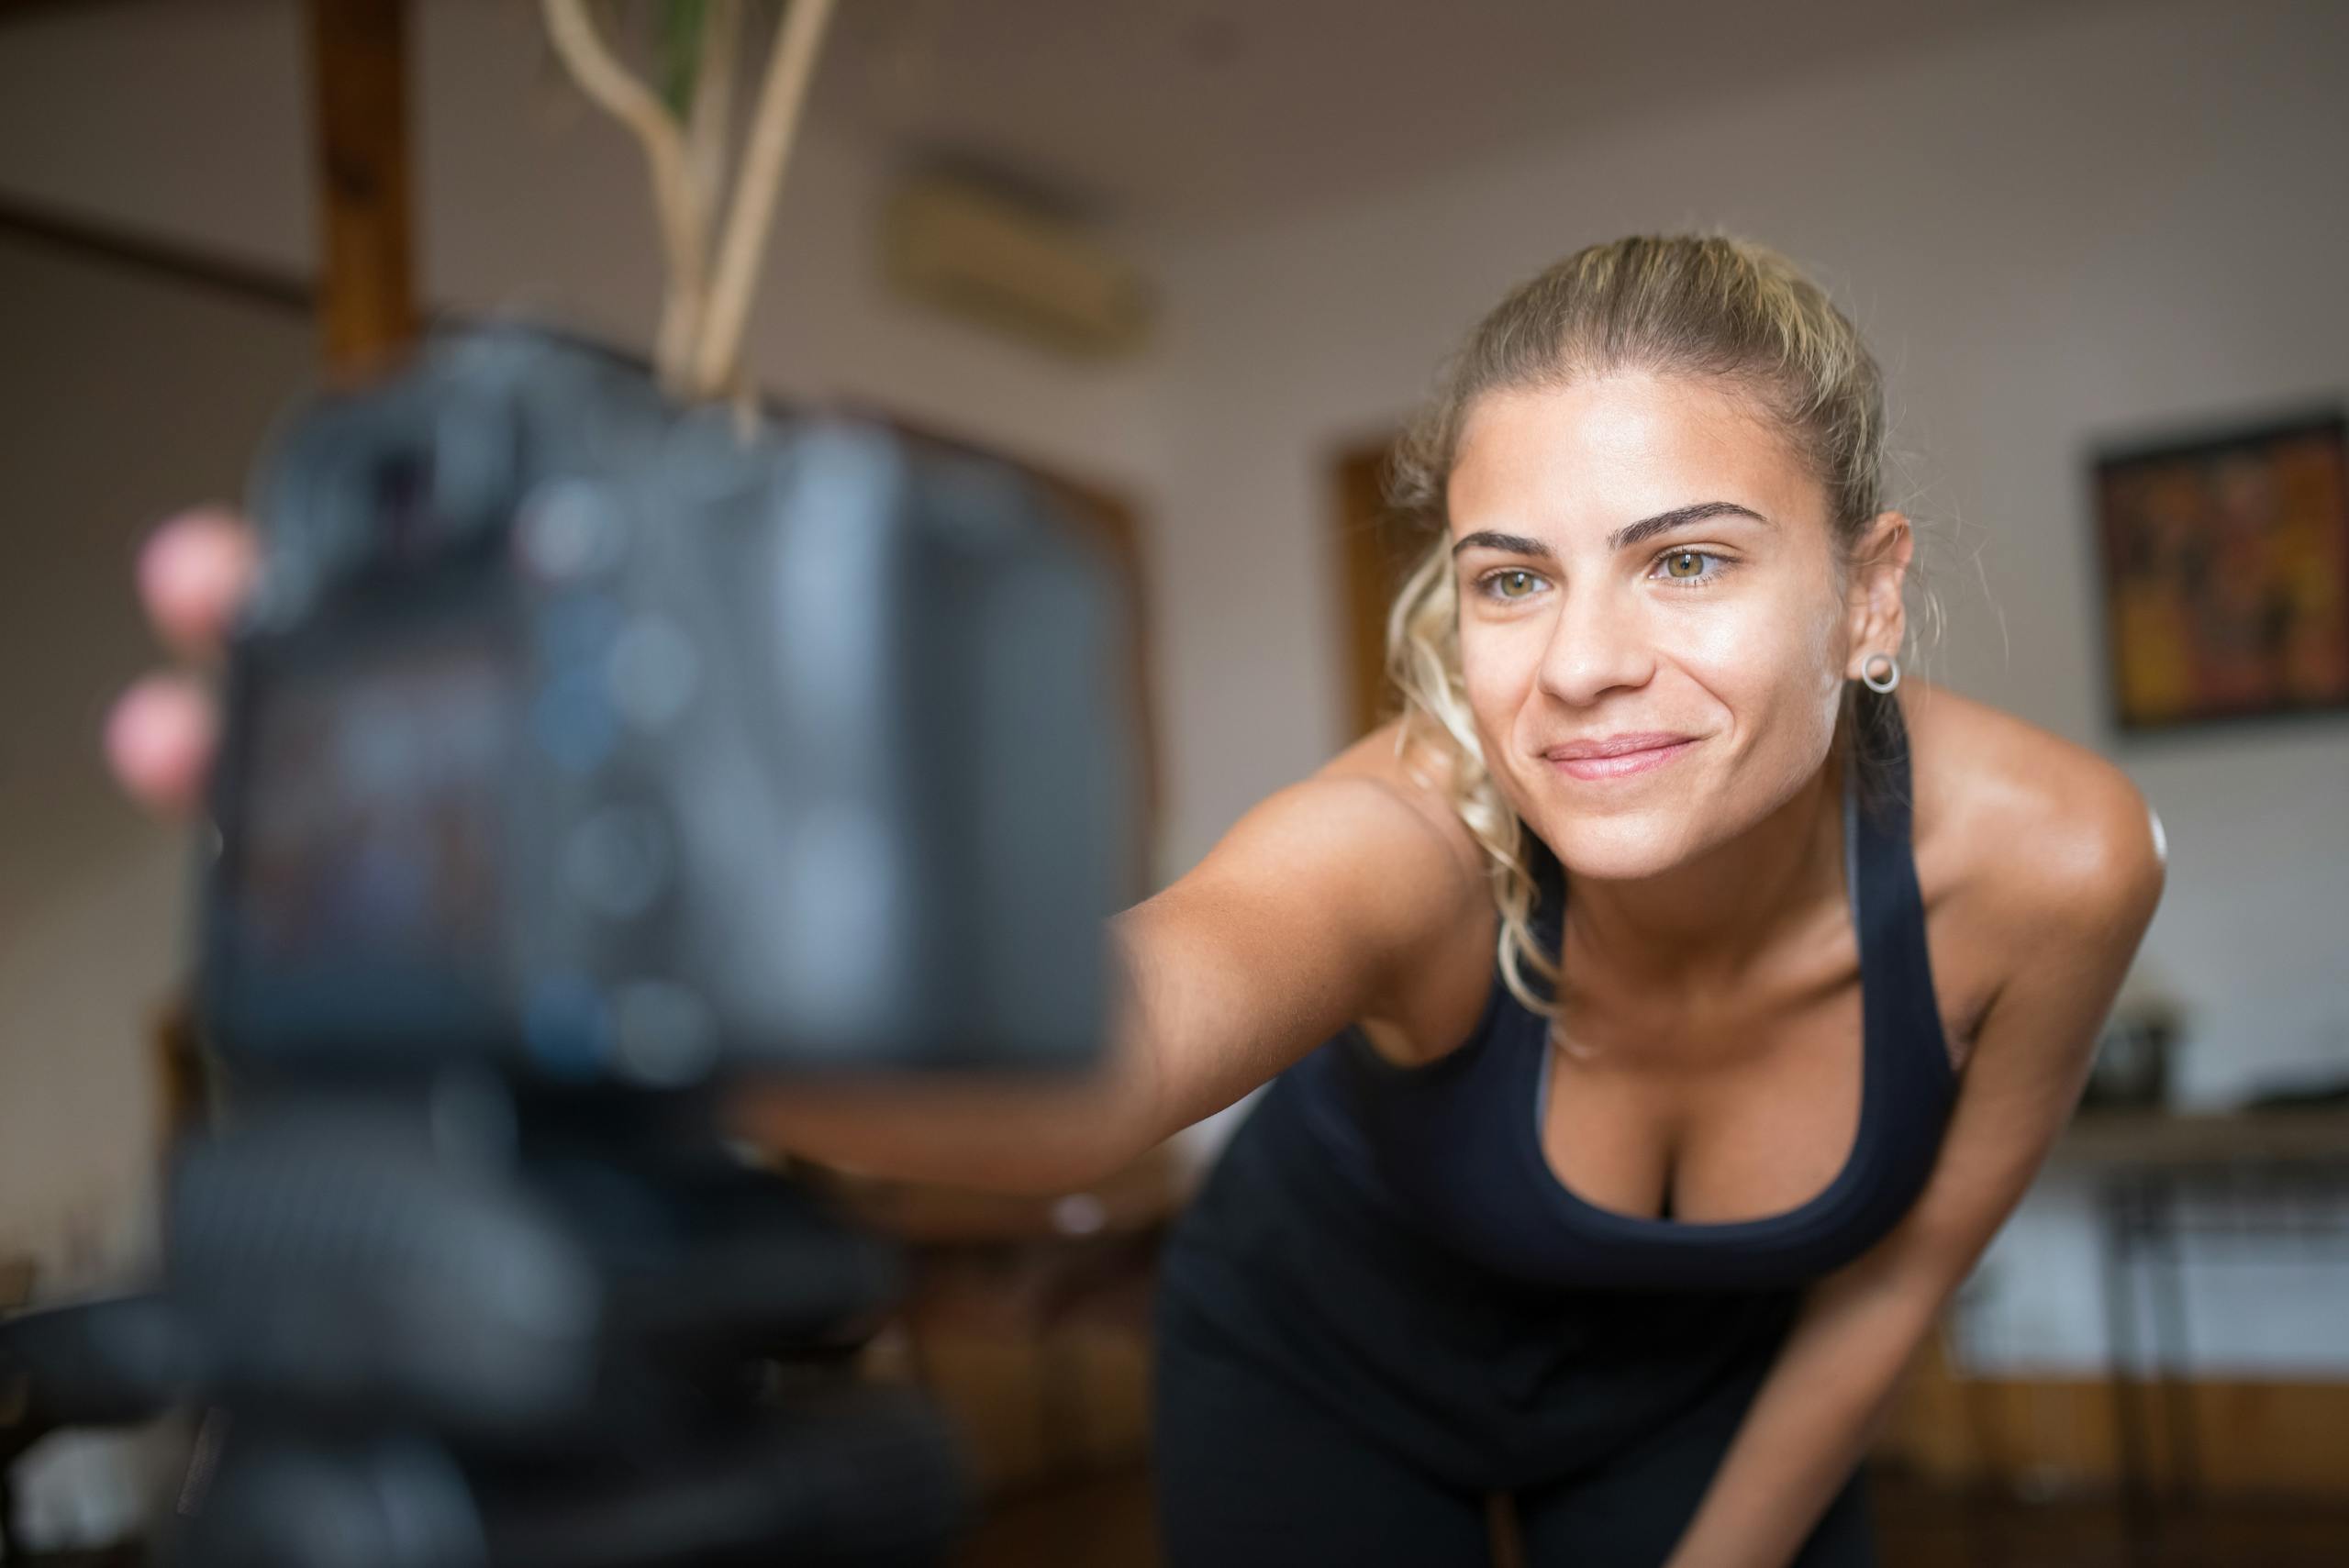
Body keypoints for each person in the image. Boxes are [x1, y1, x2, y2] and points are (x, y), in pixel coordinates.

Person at [108, 233, 2166, 1567]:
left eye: (1689, 560)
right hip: (1319, 1359)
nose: (1581, 662)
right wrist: (629, 966)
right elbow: (1107, 1068)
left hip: (1705, 1388)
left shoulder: (2053, 866)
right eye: (1514, 576)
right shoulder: (1417, 838)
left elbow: (1888, 1281)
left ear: (1869, 593)